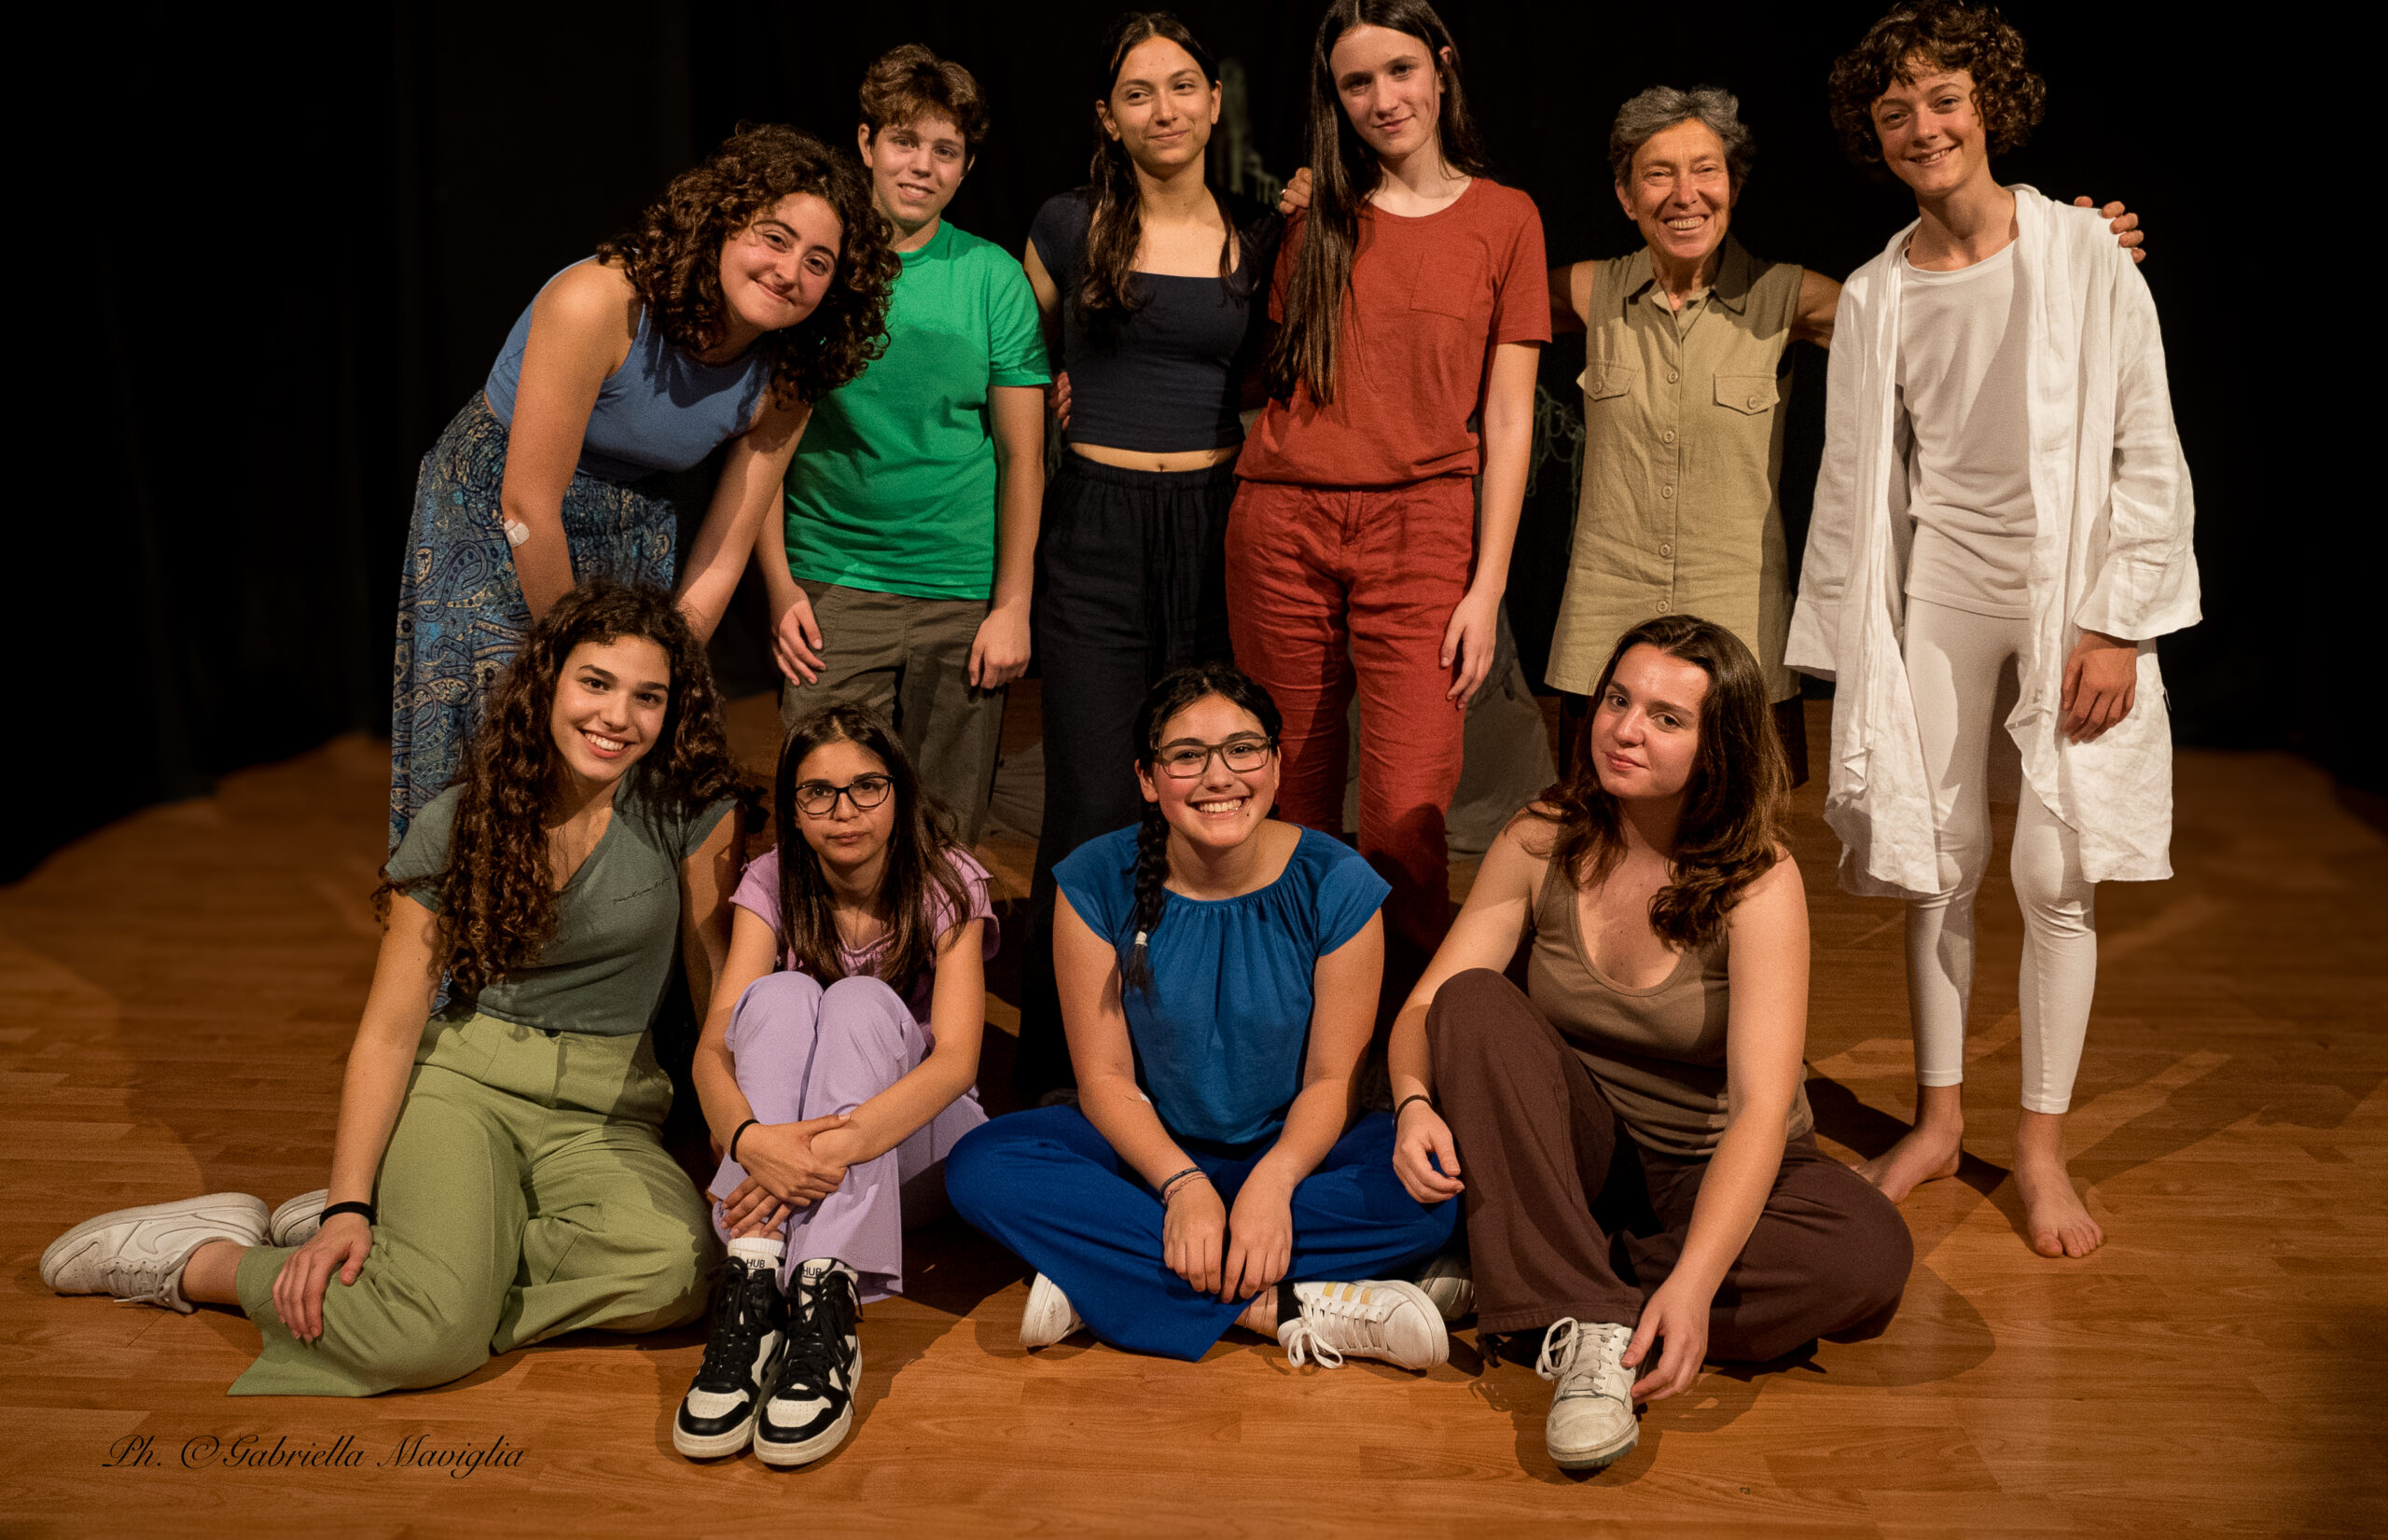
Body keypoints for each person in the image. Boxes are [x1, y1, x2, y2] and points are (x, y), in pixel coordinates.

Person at [44, 582, 751, 1394]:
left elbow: (716, 994)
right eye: (596, 682)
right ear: (550, 680)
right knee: (424, 1343)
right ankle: (199, 1262)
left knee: (677, 1273)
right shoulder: (460, 820)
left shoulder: (689, 811)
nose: (617, 717)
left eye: (647, 696)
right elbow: (388, 1031)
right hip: (466, 1086)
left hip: (607, 1111)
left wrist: (737, 1135)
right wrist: (347, 1206)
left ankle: (431, 1258)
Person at [1788, 0, 2200, 1257]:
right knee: (1939, 858)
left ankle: (2039, 1147)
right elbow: (1854, 482)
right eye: (1894, 109)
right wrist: (1853, 645)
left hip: (2067, 591)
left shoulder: (2082, 250)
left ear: (1989, 105)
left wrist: (2118, 623)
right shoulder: (1876, 294)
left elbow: (2146, 442)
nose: (1923, 126)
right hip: (1945, 586)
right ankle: (1935, 1121)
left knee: (2053, 873)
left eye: (1944, 98)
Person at [1388, 616, 1913, 1471]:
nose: (1626, 729)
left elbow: (1760, 1112)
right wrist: (1413, 1103)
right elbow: (1424, 1006)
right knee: (1473, 1002)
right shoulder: (1541, 836)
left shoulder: (1759, 879)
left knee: (1866, 1253)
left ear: (1718, 747)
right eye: (1617, 700)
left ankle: (1530, 1279)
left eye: (1667, 718)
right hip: (1574, 1155)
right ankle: (1590, 1319)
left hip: (1716, 1168)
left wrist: (1696, 1284)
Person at [1541, 88, 2148, 787]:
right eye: (1658, 174)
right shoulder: (1590, 292)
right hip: (1604, 622)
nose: (1686, 195)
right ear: (1626, 195)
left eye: (1706, 170)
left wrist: (2070, 255)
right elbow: (1477, 301)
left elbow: (1939, 309)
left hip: (1740, 626)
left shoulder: (1787, 295)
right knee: (1596, 824)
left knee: (1742, 830)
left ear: (1734, 185)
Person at [945, 664, 1458, 1370]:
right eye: (1187, 756)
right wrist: (1183, 1186)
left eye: (1242, 750)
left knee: (1429, 1200)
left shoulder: (1336, 882)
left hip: (1295, 1152)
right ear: (1148, 778)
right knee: (981, 1166)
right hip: (1148, 1153)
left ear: (1276, 764)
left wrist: (1274, 1182)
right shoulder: (1094, 878)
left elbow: (1331, 1080)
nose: (1219, 777)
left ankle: (1105, 1276)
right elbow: (1104, 1079)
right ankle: (1281, 1309)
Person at [392, 125, 895, 845]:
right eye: (774, 239)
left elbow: (725, 548)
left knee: (629, 731)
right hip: (495, 506)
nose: (791, 272)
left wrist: (664, 669)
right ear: (722, 224)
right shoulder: (598, 302)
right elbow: (527, 505)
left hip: (631, 510)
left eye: (819, 262)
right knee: (500, 731)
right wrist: (582, 663)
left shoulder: (790, 375)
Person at [1232, 0, 1548, 1000]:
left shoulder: (1505, 218)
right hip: (1283, 522)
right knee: (1291, 792)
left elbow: (1509, 420)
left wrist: (1486, 587)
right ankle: (1293, 1018)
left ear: (1442, 66)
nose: (1382, 99)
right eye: (1356, 83)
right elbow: (1249, 365)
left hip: (1422, 528)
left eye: (1400, 69)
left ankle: (1401, 1040)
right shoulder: (1315, 214)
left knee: (1409, 809)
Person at [1011, 10, 1282, 1101]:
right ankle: (1058, 1077)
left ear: (1214, 104)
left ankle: (1185, 1062)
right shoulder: (1067, 225)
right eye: (1137, 92)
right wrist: (1041, 390)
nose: (1162, 108)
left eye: (1181, 86)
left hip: (1218, 527)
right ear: (1107, 117)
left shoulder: (1262, 235)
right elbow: (1007, 365)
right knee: (1091, 805)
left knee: (1205, 794)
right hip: (1095, 530)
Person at [672, 703, 993, 1467]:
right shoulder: (771, 879)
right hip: (786, 1159)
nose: (844, 811)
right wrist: (752, 1142)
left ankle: (826, 1306)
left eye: (866, 788)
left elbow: (956, 1063)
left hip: (913, 1142)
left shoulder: (948, 878)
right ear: (792, 808)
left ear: (899, 792)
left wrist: (814, 1156)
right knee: (779, 996)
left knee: (858, 1000)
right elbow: (713, 1049)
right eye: (818, 793)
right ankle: (755, 1286)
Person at [755, 46, 1050, 842]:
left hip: (961, 594)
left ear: (967, 166)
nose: (922, 165)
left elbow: (1023, 458)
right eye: (905, 141)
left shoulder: (992, 278)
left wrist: (1012, 605)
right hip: (833, 589)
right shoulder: (817, 269)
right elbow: (764, 447)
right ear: (866, 143)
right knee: (828, 821)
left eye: (945, 150)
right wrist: (780, 587)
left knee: (942, 833)